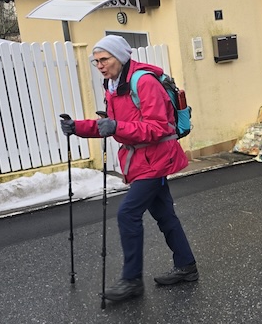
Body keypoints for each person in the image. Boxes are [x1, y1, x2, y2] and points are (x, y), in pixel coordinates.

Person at [60, 35, 197, 302]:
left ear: (120, 58)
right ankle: (186, 266)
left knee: (128, 213)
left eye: (104, 59)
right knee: (164, 214)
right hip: (140, 159)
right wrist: (77, 127)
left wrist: (117, 127)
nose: (100, 65)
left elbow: (159, 127)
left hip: (156, 159)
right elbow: (111, 124)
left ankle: (132, 280)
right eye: (96, 61)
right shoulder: (113, 85)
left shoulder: (143, 82)